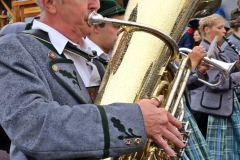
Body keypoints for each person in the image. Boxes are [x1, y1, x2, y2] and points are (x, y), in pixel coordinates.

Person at [0, 0, 188, 159]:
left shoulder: (96, 60)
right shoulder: (14, 49)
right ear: (50, 2)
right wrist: (136, 119)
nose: (96, 4)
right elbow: (33, 127)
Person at [188, 14, 240, 159]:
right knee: (218, 153)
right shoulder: (204, 51)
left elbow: (226, 73)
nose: (224, 30)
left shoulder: (216, 48)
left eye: (224, 27)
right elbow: (218, 83)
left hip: (219, 106)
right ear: (207, 29)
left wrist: (237, 66)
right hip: (211, 110)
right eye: (220, 27)